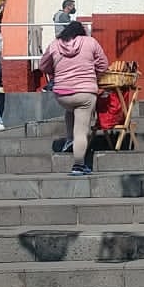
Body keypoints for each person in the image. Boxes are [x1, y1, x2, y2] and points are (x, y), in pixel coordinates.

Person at [38, 21, 108, 176]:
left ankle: (69, 138)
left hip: (62, 94)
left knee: (71, 110)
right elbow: (104, 64)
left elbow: (43, 66)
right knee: (82, 131)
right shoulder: (91, 42)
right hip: (85, 92)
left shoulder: (55, 44)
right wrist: (93, 72)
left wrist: (56, 71)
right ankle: (78, 165)